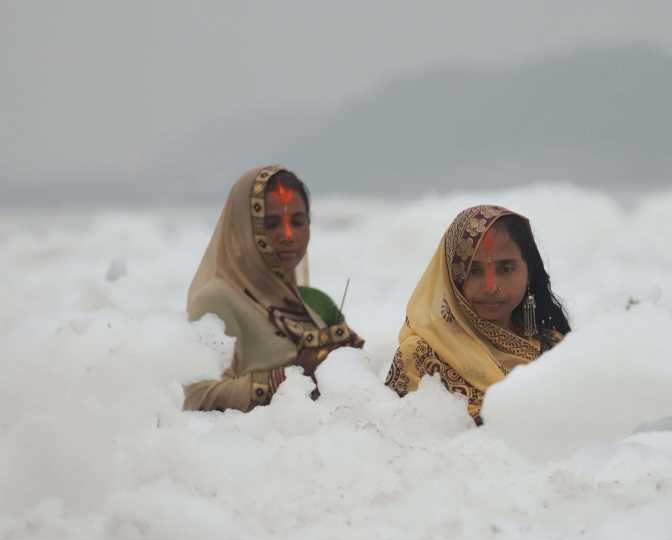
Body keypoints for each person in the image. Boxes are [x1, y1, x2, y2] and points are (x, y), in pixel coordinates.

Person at [184, 165, 363, 412]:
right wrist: (290, 376)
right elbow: (195, 397)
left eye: (298, 222)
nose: (288, 235)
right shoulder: (215, 301)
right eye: (270, 224)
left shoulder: (316, 304)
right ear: (242, 229)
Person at [385, 205, 570, 424]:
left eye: (506, 268)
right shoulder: (420, 355)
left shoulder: (554, 348)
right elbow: (395, 442)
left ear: (529, 272)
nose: (491, 287)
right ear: (451, 278)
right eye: (473, 270)